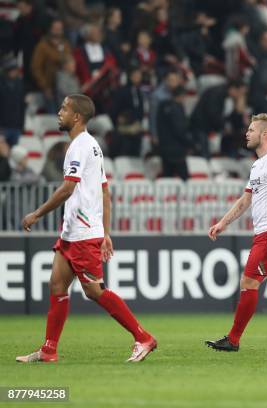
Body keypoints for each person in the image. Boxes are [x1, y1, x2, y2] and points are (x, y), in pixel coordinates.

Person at [16, 94, 156, 363]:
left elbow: (68, 188)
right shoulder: (91, 146)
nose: (59, 112)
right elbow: (104, 191)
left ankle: (143, 337)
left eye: (64, 109)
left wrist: (36, 213)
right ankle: (48, 350)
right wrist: (106, 232)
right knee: (57, 285)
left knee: (94, 291)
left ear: (77, 117)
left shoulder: (80, 147)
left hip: (82, 234)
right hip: (73, 233)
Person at [206, 113, 267, 352]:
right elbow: (245, 200)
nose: (246, 133)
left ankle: (233, 340)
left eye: (251, 130)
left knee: (248, 281)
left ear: (265, 134)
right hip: (266, 232)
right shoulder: (258, 165)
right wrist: (223, 223)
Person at [157, 86, 191, 180]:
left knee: (167, 178)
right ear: (181, 96)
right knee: (185, 179)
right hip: (177, 150)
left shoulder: (163, 106)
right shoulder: (177, 108)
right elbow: (179, 130)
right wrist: (190, 143)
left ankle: (167, 195)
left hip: (164, 148)